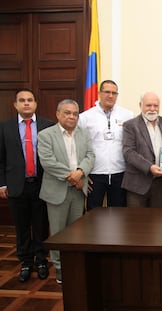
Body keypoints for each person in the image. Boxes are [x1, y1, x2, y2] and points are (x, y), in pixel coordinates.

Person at [0, 88, 54, 282]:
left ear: (35, 104)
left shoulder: (48, 125)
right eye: (22, 100)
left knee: (41, 225)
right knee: (22, 227)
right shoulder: (4, 127)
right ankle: (25, 262)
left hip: (41, 184)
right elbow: (1, 159)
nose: (26, 103)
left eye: (30, 100)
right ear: (15, 105)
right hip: (16, 185)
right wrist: (2, 184)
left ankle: (41, 260)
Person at [38, 99, 95, 283]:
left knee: (76, 232)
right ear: (58, 114)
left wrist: (80, 172)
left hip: (78, 192)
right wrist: (73, 177)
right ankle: (60, 269)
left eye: (75, 113)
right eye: (67, 113)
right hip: (57, 192)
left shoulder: (84, 133)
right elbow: (48, 162)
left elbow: (90, 156)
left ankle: (74, 266)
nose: (71, 116)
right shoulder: (46, 135)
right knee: (58, 233)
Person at [78, 80, 133, 211]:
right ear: (99, 94)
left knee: (119, 213)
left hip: (120, 173)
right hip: (95, 174)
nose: (110, 96)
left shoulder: (127, 115)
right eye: (107, 92)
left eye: (114, 93)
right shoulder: (85, 117)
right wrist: (83, 173)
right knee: (94, 214)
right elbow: (79, 147)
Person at [122, 92, 162, 207]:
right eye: (148, 105)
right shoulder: (130, 125)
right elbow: (128, 152)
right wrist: (149, 167)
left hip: (159, 183)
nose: (152, 109)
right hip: (137, 183)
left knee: (158, 221)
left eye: (156, 105)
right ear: (140, 105)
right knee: (137, 221)